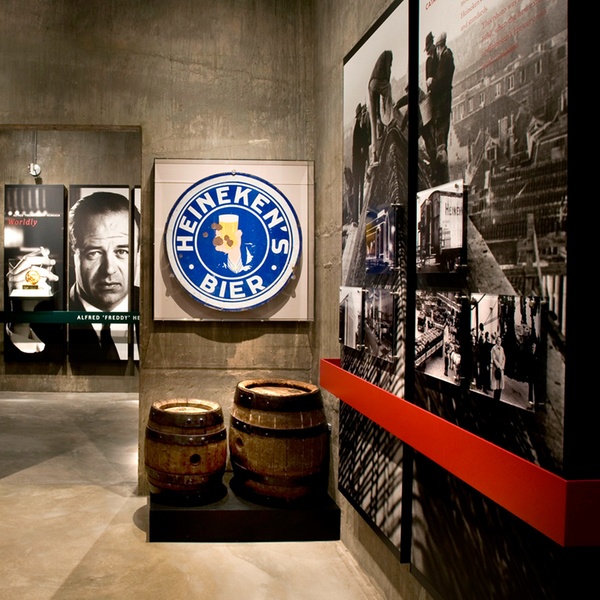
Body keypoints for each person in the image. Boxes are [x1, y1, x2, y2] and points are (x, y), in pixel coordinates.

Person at [68, 191, 140, 362]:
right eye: (94, 253)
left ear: (138, 253)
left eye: (122, 251)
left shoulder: (154, 310)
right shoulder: (41, 318)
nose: (109, 269)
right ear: (72, 255)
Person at [428, 31, 455, 185]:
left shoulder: (446, 58)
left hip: (442, 105)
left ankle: (441, 175)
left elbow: (442, 81)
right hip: (441, 105)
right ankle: (440, 174)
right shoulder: (444, 57)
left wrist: (432, 84)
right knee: (440, 139)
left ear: (440, 46)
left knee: (441, 140)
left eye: (437, 48)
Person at [367, 50, 393, 167]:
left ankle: (374, 154)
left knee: (374, 118)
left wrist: (379, 114)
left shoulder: (379, 62)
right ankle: (389, 120)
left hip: (371, 85)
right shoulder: (388, 55)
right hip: (377, 82)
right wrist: (386, 107)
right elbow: (387, 78)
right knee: (388, 88)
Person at [352, 103, 370, 220]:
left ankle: (359, 215)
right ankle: (355, 217)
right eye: (361, 115)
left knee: (359, 189)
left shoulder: (360, 128)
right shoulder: (357, 129)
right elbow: (360, 147)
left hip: (359, 164)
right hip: (358, 164)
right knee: (357, 190)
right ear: (359, 116)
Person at [490, 335, 506, 401]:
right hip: (496, 369)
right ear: (496, 341)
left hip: (501, 370)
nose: (499, 342)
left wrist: (502, 366)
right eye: (498, 341)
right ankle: (495, 398)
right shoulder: (493, 349)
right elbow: (493, 359)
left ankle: (498, 398)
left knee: (500, 386)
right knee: (496, 386)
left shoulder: (502, 348)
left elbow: (504, 358)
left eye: (500, 341)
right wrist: (499, 366)